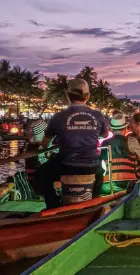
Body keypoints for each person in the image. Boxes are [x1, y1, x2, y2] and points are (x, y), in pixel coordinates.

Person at [34, 78, 108, 209]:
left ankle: (53, 205)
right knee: (100, 173)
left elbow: (45, 143)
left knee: (41, 175)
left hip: (66, 165)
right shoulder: (98, 116)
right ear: (88, 96)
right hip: (91, 165)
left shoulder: (58, 117)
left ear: (67, 95)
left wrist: (49, 151)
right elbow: (105, 135)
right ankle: (94, 203)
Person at [99, 113, 140, 194]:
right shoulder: (131, 141)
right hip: (127, 185)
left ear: (111, 129)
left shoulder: (104, 143)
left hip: (106, 187)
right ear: (125, 128)